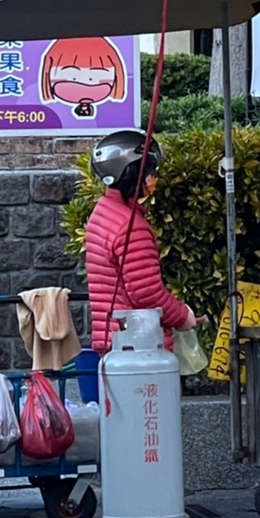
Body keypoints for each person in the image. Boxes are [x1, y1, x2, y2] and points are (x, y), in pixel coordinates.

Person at [85, 130, 198, 353]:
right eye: (148, 172)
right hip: (137, 344)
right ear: (132, 175)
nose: (153, 179)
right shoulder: (131, 226)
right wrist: (182, 315)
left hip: (114, 338)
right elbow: (147, 293)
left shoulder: (103, 211)